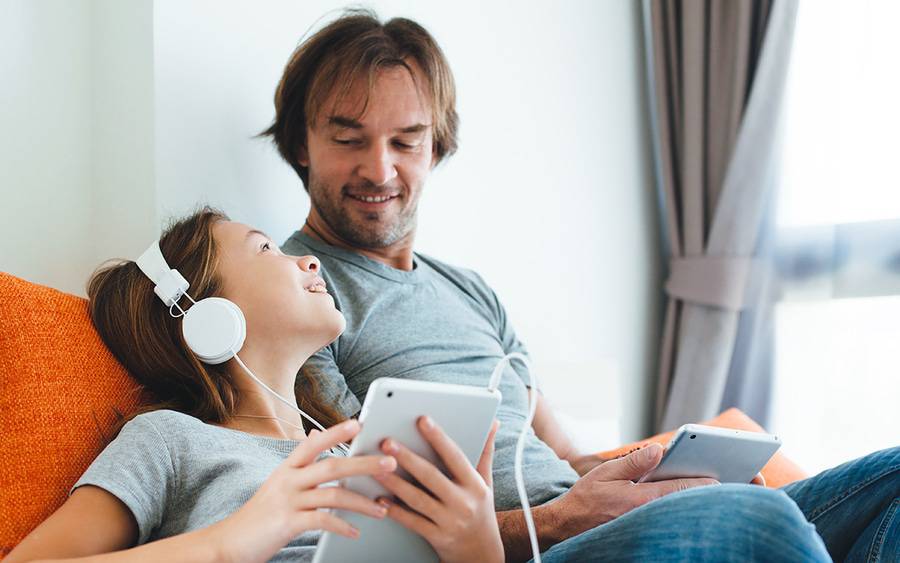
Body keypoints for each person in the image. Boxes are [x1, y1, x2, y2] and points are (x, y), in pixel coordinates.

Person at [263, 10, 900, 562]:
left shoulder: (471, 290)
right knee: (760, 523)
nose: (380, 167)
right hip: (545, 544)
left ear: (436, 148)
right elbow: (353, 519)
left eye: (406, 140)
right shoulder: (296, 292)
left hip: (590, 521)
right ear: (301, 144)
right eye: (348, 138)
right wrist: (566, 518)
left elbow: (565, 456)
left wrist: (665, 479)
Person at [6, 208, 504, 563]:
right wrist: (232, 542)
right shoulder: (169, 440)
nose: (310, 262)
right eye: (267, 248)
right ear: (206, 314)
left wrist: (478, 547)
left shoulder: (351, 454)